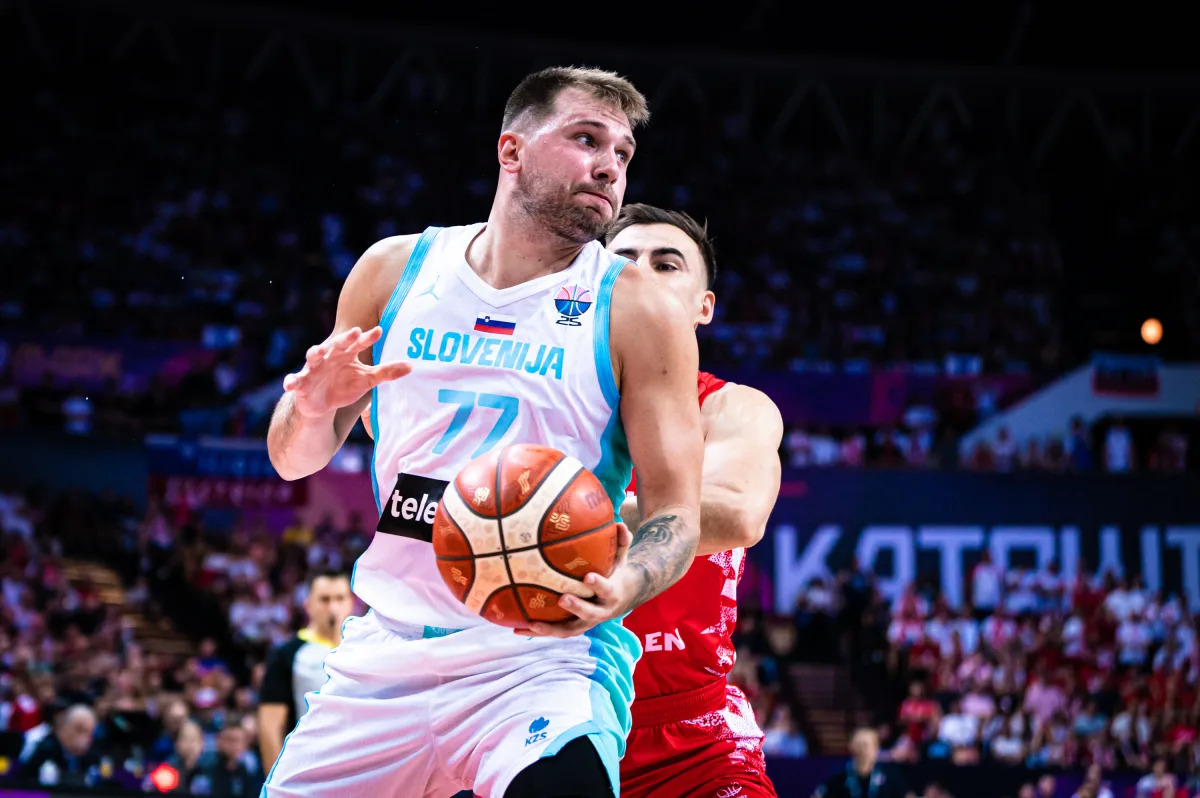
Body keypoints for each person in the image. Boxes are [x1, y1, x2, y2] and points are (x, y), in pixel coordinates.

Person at [263, 66, 705, 798]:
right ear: (512, 151)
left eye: (622, 153)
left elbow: (676, 514)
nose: (609, 166)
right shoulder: (393, 271)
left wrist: (626, 582)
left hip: (538, 657)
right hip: (386, 652)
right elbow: (291, 460)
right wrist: (310, 408)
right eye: (586, 139)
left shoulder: (639, 310)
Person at [604, 204, 783, 798]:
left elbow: (737, 512)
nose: (640, 273)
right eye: (623, 261)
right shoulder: (547, 400)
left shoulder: (733, 408)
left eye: (666, 263)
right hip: (549, 708)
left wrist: (558, 517)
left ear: (704, 306)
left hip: (694, 737)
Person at [257, 571, 354, 772]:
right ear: (308, 604)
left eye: (340, 598)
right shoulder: (286, 655)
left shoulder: (365, 649)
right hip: (309, 769)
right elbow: (270, 726)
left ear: (351, 603)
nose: (333, 607)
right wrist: (275, 779)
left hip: (359, 767)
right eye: (324, 600)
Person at [812, 729, 914, 798]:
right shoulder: (840, 774)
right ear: (851, 747)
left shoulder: (889, 774)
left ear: (876, 748)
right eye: (858, 745)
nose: (862, 750)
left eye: (866, 745)